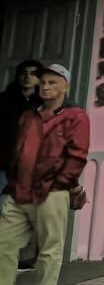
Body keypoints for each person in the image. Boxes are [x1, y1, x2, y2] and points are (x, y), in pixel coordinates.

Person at [0, 64, 88, 285]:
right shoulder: (29, 114)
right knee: (4, 243)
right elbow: (18, 149)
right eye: (43, 83)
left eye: (53, 82)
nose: (46, 87)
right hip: (19, 189)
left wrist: (59, 182)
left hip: (51, 190)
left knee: (50, 246)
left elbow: (77, 156)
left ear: (65, 86)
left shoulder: (75, 116)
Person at [0, 59, 43, 198]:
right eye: (24, 73)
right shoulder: (3, 99)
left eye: (33, 74)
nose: (27, 77)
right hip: (3, 161)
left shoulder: (45, 102)